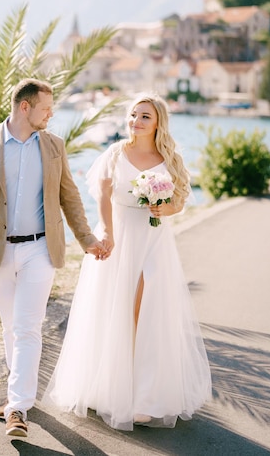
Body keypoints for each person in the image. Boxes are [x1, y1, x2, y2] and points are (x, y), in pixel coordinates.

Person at [43, 92, 212, 430]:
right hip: (119, 235)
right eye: (134, 115)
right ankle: (109, 387)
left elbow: (179, 200)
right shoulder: (115, 153)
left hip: (153, 240)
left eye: (145, 116)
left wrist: (166, 208)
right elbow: (103, 197)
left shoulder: (170, 157)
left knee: (148, 310)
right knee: (115, 308)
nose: (136, 121)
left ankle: (147, 395)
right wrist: (107, 232)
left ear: (158, 122)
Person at [0, 78, 105, 438]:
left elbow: (69, 196)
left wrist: (87, 238)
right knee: (11, 327)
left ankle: (18, 408)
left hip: (40, 248)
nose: (51, 114)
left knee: (27, 327)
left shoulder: (53, 145)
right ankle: (17, 398)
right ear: (25, 107)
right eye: (45, 108)